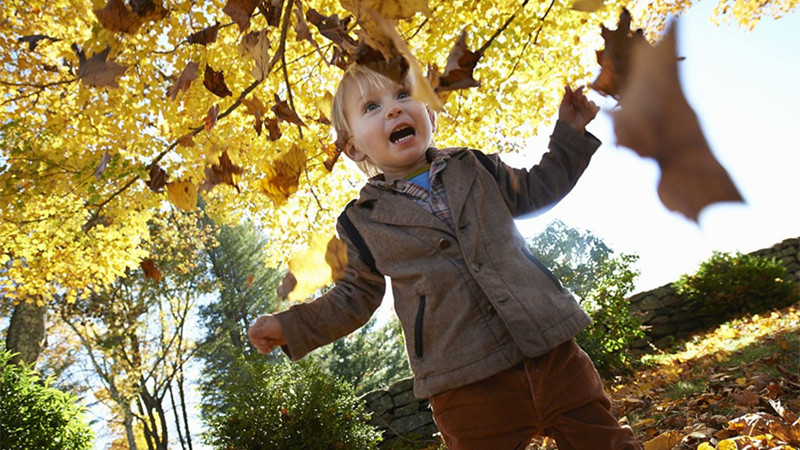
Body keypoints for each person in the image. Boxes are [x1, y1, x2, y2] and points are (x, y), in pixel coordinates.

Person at [248, 63, 641, 449]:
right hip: (464, 383)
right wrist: (291, 327)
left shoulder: (474, 166)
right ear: (352, 147)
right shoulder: (361, 223)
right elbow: (353, 298)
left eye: (404, 95)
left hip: (550, 353)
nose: (394, 108)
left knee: (606, 442)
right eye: (372, 107)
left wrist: (569, 135)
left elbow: (535, 188)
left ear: (429, 111)